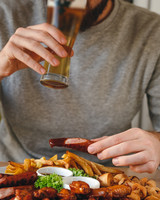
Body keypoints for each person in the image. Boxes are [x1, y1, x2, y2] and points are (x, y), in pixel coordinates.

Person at [0, 0, 160, 174]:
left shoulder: (152, 32)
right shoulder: (5, 13)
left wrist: (156, 144)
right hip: (14, 170)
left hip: (105, 177)